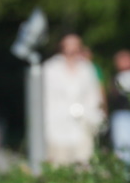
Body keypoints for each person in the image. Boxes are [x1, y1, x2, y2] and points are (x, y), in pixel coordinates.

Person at [41, 33, 104, 166]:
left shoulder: (87, 68)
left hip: (82, 123)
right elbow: (44, 96)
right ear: (62, 47)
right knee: (58, 161)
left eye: (76, 45)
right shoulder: (50, 68)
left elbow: (93, 95)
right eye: (69, 45)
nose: (73, 49)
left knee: (84, 161)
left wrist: (93, 115)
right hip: (56, 123)